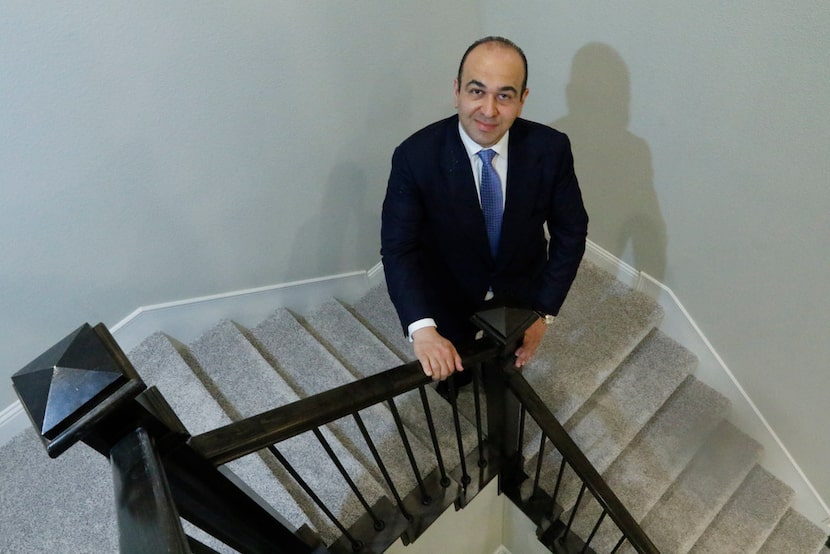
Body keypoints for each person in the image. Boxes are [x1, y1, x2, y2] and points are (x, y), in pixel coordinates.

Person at [381, 36, 588, 386]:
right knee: (453, 369)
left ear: (522, 100)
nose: (489, 110)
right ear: (457, 91)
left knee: (504, 364)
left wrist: (542, 313)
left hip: (520, 291)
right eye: (477, 91)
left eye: (504, 95)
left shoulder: (551, 149)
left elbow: (571, 232)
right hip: (448, 292)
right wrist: (422, 329)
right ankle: (455, 387)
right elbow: (399, 249)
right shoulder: (414, 157)